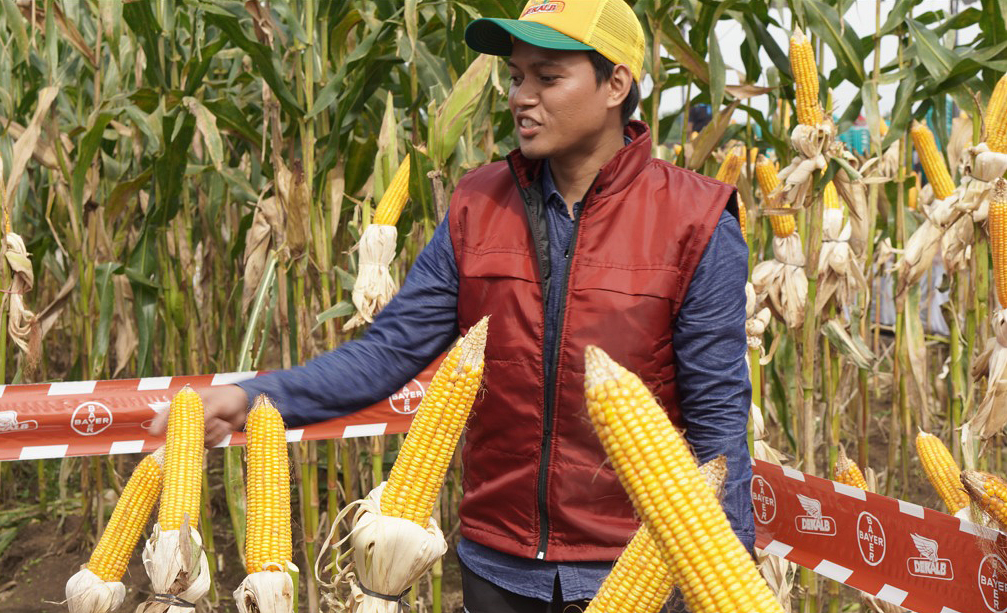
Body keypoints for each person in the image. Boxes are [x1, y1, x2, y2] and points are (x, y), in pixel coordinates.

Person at [151, 1, 752, 611]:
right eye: (516, 76)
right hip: (496, 563)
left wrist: (726, 584)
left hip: (633, 573)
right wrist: (251, 396)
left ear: (615, 84)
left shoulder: (695, 221)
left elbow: (718, 429)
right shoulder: (477, 205)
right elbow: (388, 351)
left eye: (548, 77)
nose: (522, 96)